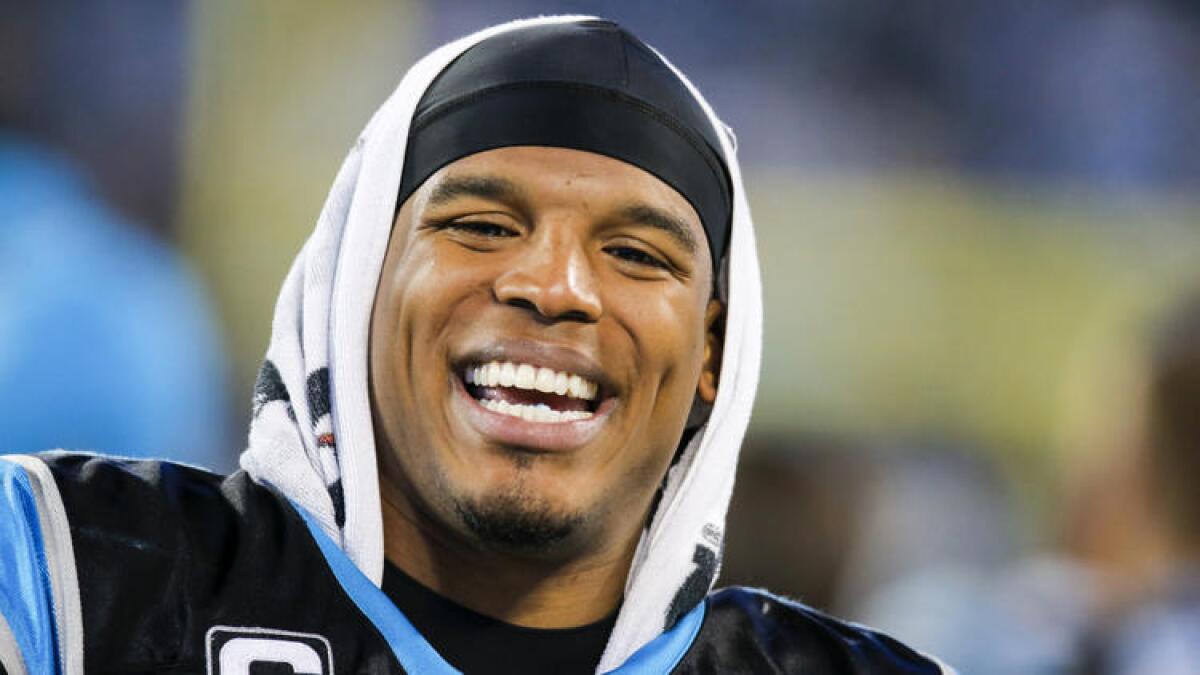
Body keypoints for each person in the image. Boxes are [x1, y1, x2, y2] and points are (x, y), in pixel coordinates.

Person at [0, 17, 952, 674]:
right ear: (359, 290)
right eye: (483, 226)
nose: (554, 286)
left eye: (633, 252)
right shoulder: (66, 576)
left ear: (712, 350)